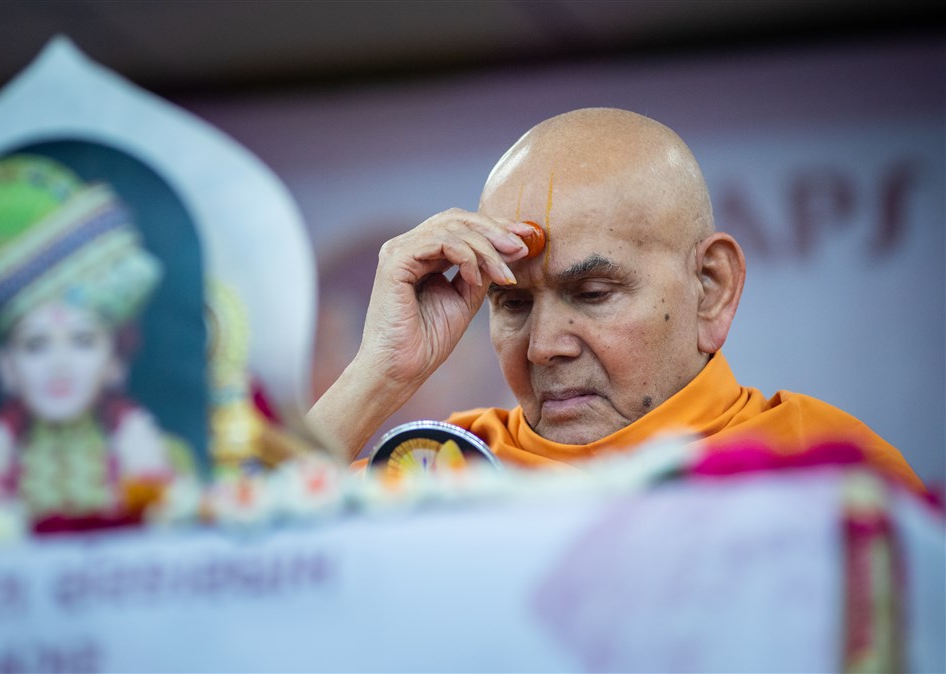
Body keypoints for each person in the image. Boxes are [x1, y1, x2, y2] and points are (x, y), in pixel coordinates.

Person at [308, 107, 924, 492]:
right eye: (513, 303)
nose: (544, 348)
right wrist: (377, 375)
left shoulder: (825, 469)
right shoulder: (442, 471)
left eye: (592, 293)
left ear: (711, 287)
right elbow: (246, 573)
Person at [0, 154, 191, 527]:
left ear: (115, 362)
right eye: (36, 345)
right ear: (6, 367)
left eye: (82, 341)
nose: (59, 366)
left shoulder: (163, 460)